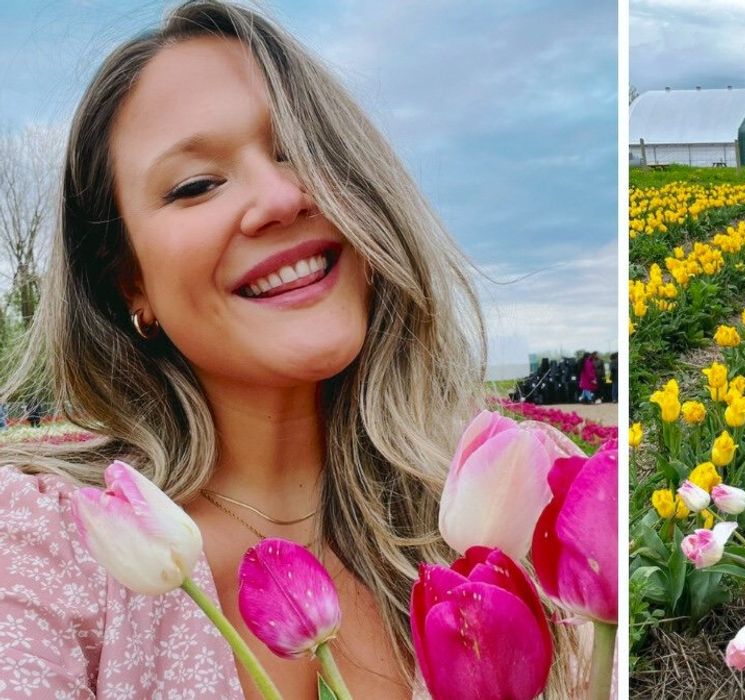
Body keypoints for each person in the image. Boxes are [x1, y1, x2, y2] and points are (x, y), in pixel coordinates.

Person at [0, 2, 582, 697]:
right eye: (196, 185)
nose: (281, 196)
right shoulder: (45, 548)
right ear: (131, 281)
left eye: (304, 151)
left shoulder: (506, 519)